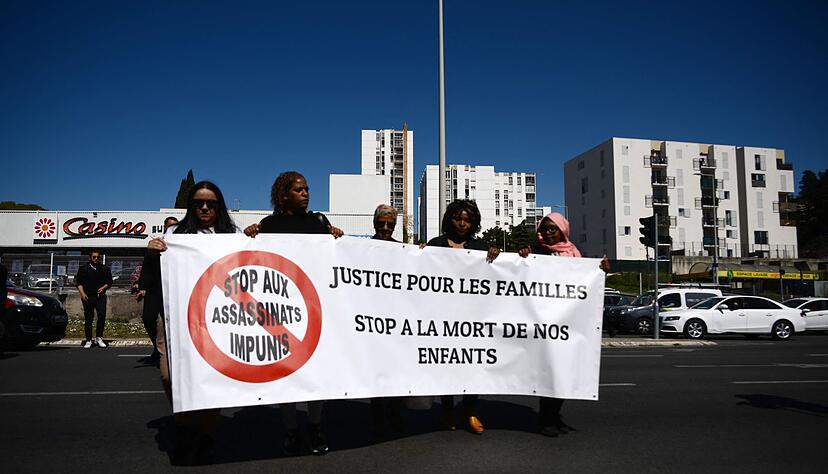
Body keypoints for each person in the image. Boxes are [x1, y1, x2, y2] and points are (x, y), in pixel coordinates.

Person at [244, 171, 342, 455]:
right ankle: (290, 430)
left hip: (315, 306)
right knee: (286, 372)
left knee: (316, 372)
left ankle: (314, 427)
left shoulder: (318, 222)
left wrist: (335, 236)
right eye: (299, 190)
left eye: (307, 189)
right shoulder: (269, 225)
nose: (306, 194)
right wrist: (250, 236)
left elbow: (334, 258)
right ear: (284, 194)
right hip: (282, 308)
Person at [147, 181, 238, 465]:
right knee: (169, 375)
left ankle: (206, 436)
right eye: (199, 202)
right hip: (177, 316)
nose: (205, 207)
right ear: (191, 205)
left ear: (219, 205)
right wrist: (152, 253)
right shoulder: (175, 234)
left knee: (213, 378)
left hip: (217, 318)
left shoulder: (231, 234)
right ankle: (186, 425)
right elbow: (154, 277)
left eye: (211, 203)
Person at [518, 212, 609, 438]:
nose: (548, 232)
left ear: (563, 229)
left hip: (568, 323)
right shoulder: (535, 251)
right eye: (545, 228)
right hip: (544, 322)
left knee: (565, 372)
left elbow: (586, 282)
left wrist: (601, 270)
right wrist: (523, 255)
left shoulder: (574, 253)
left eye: (553, 228)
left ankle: (555, 416)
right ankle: (546, 419)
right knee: (551, 372)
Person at [423, 199, 500, 435]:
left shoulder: (480, 248)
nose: (462, 223)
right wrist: (416, 255)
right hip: (442, 318)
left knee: (471, 366)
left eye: (467, 219)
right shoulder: (435, 245)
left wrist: (497, 256)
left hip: (472, 319)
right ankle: (447, 409)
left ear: (474, 222)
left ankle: (469, 411)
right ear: (449, 219)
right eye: (458, 218)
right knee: (446, 364)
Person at [368, 204, 404, 437]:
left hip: (397, 320)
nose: (385, 228)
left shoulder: (402, 250)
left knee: (397, 370)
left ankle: (396, 416)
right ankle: (377, 418)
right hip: (370, 320)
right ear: (374, 223)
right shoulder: (361, 247)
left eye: (390, 224)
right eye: (381, 223)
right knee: (374, 371)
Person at [135, 216, 179, 364]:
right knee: (148, 317)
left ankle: (173, 350)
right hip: (156, 288)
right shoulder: (156, 243)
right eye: (169, 226)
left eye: (175, 226)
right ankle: (157, 346)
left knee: (174, 322)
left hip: (174, 288)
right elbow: (147, 265)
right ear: (164, 227)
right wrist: (142, 287)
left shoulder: (182, 244)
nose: (172, 229)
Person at [75, 249, 113, 349]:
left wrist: (104, 287)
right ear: (90, 258)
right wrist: (82, 294)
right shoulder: (84, 269)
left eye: (98, 257)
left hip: (100, 297)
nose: (96, 259)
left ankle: (99, 337)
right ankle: (88, 339)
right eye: (94, 257)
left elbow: (109, 282)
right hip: (88, 296)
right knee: (89, 317)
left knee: (101, 316)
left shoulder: (104, 269)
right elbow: (79, 283)